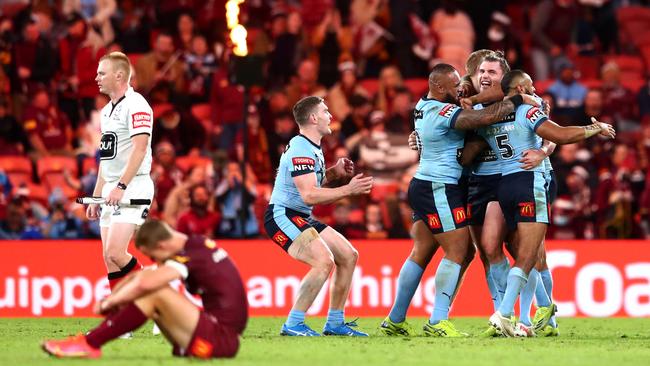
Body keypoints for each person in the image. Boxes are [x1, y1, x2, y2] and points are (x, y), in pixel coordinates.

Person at [380, 63, 537, 337]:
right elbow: (482, 119)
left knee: (424, 251)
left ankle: (395, 319)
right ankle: (438, 320)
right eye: (454, 84)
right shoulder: (445, 111)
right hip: (439, 186)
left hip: (428, 184)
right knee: (460, 251)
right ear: (438, 86)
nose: (459, 88)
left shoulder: (422, 106)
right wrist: (517, 98)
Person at [482, 70, 614, 337]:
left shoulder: (489, 115)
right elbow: (561, 135)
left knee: (528, 252)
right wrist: (594, 128)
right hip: (530, 182)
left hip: (504, 185)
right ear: (519, 89)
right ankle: (505, 314)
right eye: (530, 87)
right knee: (530, 254)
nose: (535, 91)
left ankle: (541, 314)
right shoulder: (528, 112)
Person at [42, 219, 248, 359]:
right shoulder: (195, 245)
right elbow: (143, 276)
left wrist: (109, 303)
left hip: (220, 341)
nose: (155, 261)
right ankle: (88, 342)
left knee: (154, 291)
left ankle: (89, 344)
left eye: (153, 256)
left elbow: (145, 283)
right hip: (217, 337)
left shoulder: (189, 255)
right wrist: (116, 296)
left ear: (161, 246)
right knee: (151, 287)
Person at [264, 96, 373, 336]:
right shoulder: (302, 148)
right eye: (325, 111)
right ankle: (293, 323)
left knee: (348, 255)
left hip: (299, 215)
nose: (330, 115)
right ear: (313, 118)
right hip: (283, 215)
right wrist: (349, 190)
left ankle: (335, 323)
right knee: (324, 261)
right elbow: (309, 195)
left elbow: (311, 184)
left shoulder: (311, 146)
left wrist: (333, 174)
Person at [87, 52, 154, 294]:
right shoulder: (106, 111)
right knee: (109, 257)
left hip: (133, 184)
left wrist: (122, 186)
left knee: (116, 251)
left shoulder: (137, 105)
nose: (96, 78)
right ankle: (121, 317)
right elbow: (107, 159)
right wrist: (97, 197)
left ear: (119, 75)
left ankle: (162, 296)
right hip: (111, 187)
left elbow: (140, 148)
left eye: (101, 73)